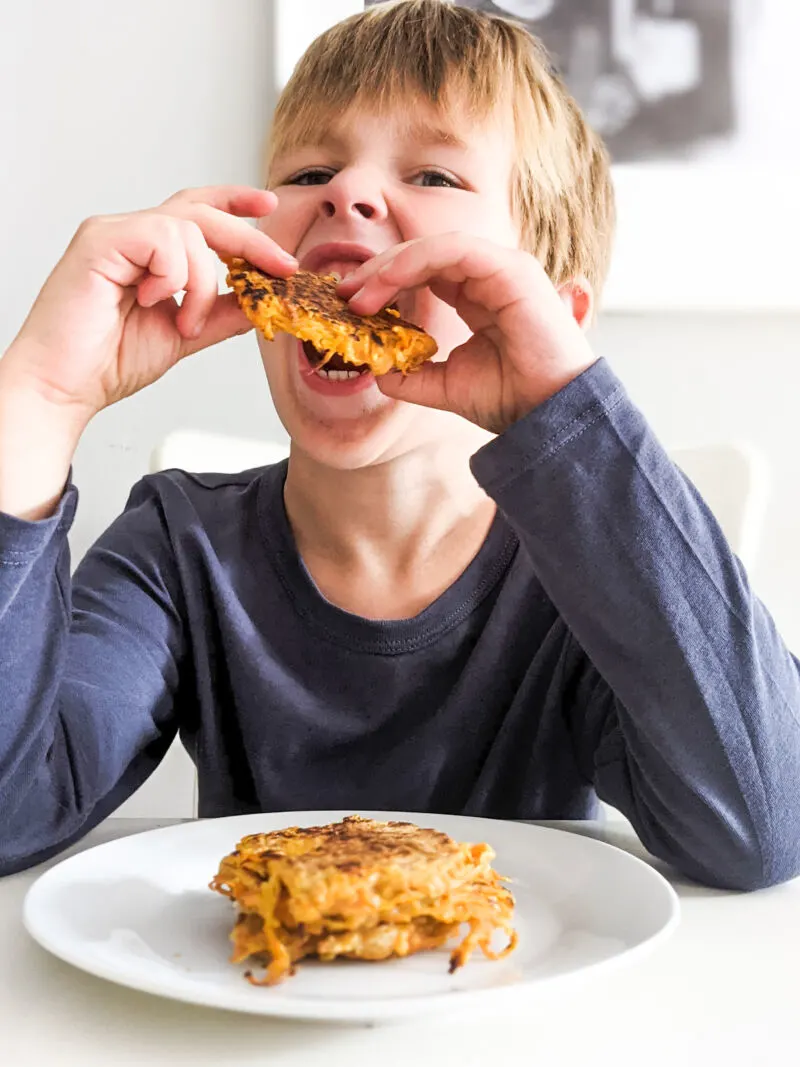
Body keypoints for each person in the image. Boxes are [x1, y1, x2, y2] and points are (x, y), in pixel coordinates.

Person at [1, 0, 798, 888]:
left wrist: (569, 408)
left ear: (548, 318)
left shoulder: (588, 574)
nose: (349, 191)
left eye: (436, 175)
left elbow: (768, 826)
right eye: (310, 168)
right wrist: (37, 397)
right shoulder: (179, 549)